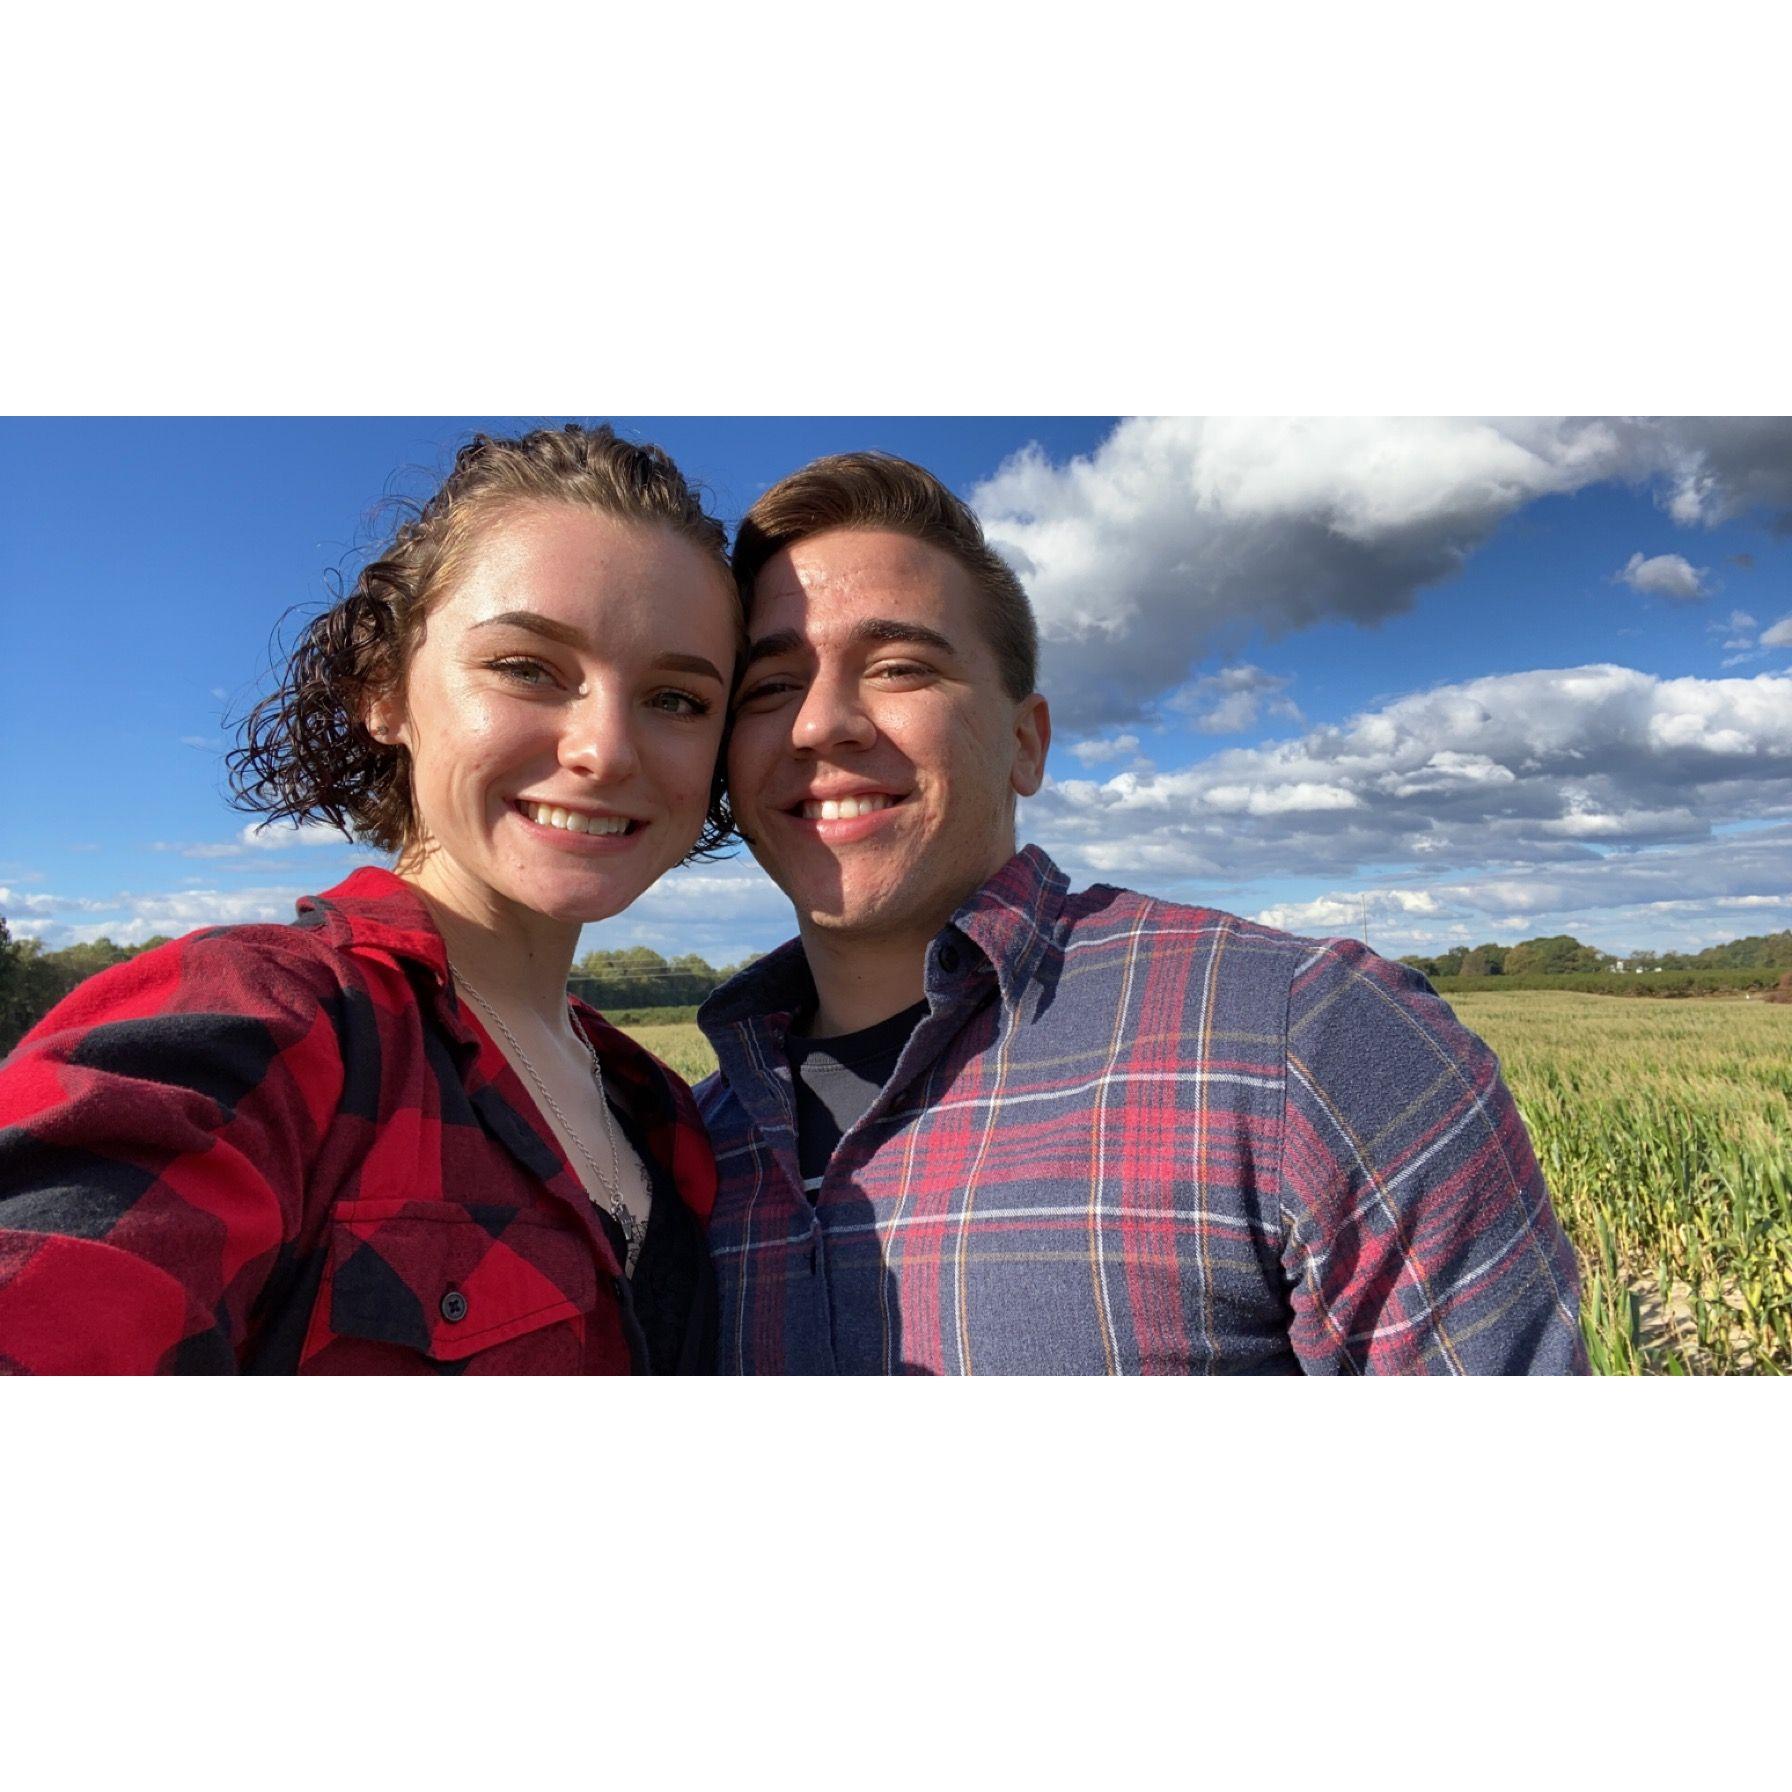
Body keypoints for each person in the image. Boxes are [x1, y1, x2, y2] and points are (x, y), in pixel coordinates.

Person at [696, 452, 1588, 1374]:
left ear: (1026, 744)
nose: (819, 723)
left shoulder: (1305, 1044)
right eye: (769, 688)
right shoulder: (676, 1146)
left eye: (898, 667)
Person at [0, 424, 736, 1373]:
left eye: (677, 698)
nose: (607, 749)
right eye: (525, 668)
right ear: (383, 690)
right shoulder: (260, 1025)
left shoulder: (665, 1113)